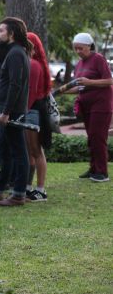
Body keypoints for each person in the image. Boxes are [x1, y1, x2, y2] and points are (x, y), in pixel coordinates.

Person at [55, 32, 113, 182]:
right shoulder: (79, 64)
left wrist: (90, 82)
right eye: (76, 49)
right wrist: (60, 92)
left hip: (101, 104)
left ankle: (102, 172)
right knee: (91, 138)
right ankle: (94, 168)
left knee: (98, 137)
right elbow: (80, 87)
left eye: (81, 48)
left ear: (89, 46)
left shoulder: (98, 59)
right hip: (86, 105)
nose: (78, 51)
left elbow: (109, 81)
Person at [0, 17, 32, 207]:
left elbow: (15, 85)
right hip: (9, 110)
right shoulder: (15, 52)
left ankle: (18, 194)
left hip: (11, 111)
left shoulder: (15, 53)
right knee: (8, 150)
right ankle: (0, 189)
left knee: (18, 152)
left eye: (1, 31)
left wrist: (5, 112)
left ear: (11, 33)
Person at [24, 32, 53, 201]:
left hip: (33, 111)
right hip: (33, 110)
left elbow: (32, 93)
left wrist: (22, 111)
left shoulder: (34, 64)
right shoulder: (34, 63)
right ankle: (28, 186)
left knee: (36, 151)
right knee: (30, 151)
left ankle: (40, 189)